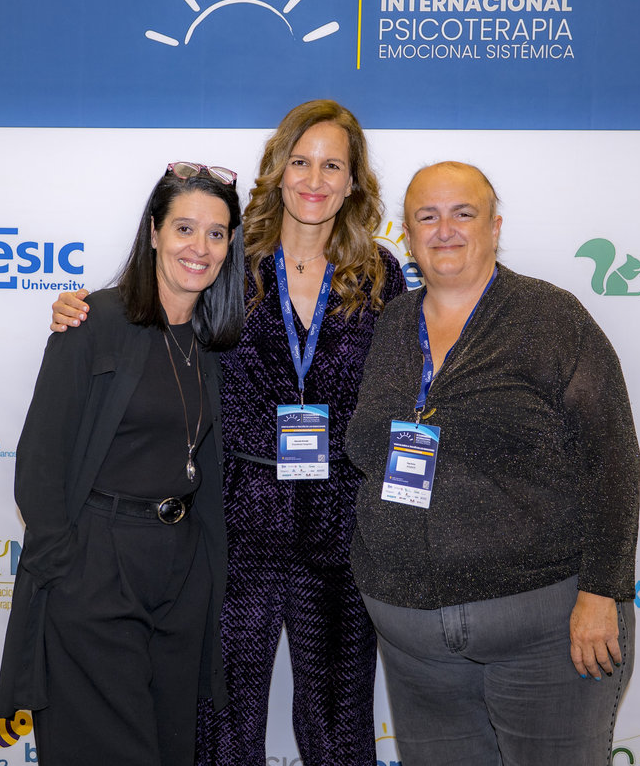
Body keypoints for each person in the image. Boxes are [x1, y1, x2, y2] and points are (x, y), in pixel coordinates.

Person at [50, 101, 406, 764]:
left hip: (339, 525)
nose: (315, 179)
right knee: (224, 723)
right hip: (237, 519)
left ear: (354, 181)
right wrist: (85, 308)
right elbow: (154, 312)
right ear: (277, 170)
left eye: (332, 166)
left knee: (339, 727)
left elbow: (405, 380)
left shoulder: (380, 273)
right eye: (300, 161)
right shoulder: (230, 260)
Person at [346, 161, 640, 765]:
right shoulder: (391, 323)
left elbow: (612, 461)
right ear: (408, 234)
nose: (444, 230)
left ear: (495, 226)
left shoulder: (552, 318)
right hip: (413, 641)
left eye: (463, 213)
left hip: (544, 630)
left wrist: (602, 592)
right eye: (427, 216)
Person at [0, 162, 246, 765]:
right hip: (98, 568)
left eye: (216, 233)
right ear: (154, 232)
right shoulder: (94, 322)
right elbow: (41, 460)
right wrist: (66, 569)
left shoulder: (213, 339)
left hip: (181, 573)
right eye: (184, 228)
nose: (200, 247)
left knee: (167, 751)